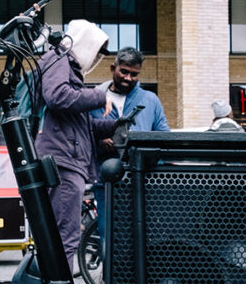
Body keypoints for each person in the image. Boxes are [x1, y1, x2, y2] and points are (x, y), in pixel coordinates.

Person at [35, 19, 118, 269]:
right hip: (63, 162)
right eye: (95, 51)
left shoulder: (64, 65)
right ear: (84, 43)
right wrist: (99, 96)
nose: (95, 59)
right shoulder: (60, 58)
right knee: (65, 237)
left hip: (64, 159)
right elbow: (58, 96)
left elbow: (82, 126)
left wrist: (117, 124)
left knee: (59, 237)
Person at [90, 47, 170, 246]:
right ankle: (110, 278)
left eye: (134, 74)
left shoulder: (150, 100)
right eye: (123, 72)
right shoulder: (94, 97)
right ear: (112, 68)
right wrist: (99, 141)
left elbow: (164, 137)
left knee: (145, 237)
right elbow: (83, 133)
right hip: (107, 181)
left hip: (143, 181)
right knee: (108, 236)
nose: (128, 78)